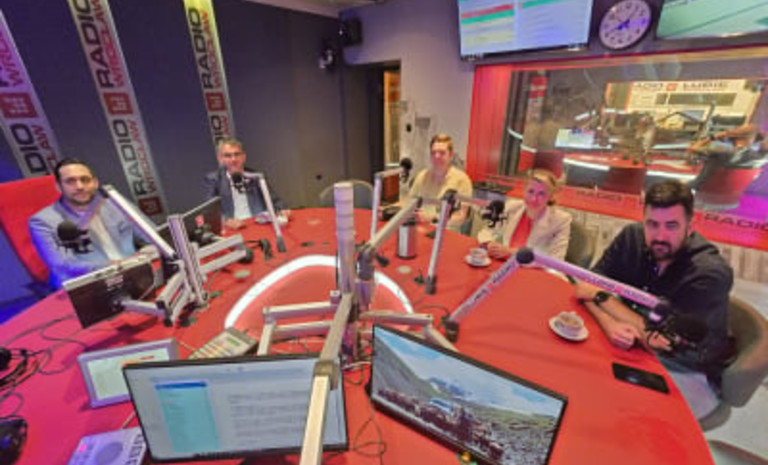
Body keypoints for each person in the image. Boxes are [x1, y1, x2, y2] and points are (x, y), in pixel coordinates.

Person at [574, 180, 733, 419]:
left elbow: (662, 342)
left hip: (687, 369)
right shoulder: (632, 237)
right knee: (579, 381)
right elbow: (584, 286)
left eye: (671, 226)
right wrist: (609, 323)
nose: (660, 236)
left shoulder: (709, 273)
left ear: (690, 226)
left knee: (619, 414)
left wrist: (602, 297)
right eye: (652, 224)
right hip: (635, 348)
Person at [29, 158, 150, 289]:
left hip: (133, 273)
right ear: (59, 187)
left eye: (85, 180)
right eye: (70, 181)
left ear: (95, 183)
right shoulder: (42, 221)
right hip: (86, 284)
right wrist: (119, 265)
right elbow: (63, 264)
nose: (80, 186)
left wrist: (151, 251)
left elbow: (150, 234)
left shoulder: (115, 203)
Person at [477, 169, 571, 260]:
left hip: (535, 268)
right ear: (524, 191)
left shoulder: (561, 220)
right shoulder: (512, 207)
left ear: (550, 197)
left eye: (541, 194)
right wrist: (489, 243)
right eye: (530, 191)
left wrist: (512, 253)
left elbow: (556, 259)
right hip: (507, 264)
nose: (534, 199)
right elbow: (487, 231)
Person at [203, 138, 284, 230]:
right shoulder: (214, 179)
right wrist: (226, 221)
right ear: (220, 159)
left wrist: (281, 210)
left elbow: (275, 201)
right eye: (228, 156)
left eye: (237, 154)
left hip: (257, 224)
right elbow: (210, 211)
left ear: (243, 157)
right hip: (233, 228)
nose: (233, 159)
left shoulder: (256, 176)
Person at [407, 133, 473, 231]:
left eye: (442, 153)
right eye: (433, 152)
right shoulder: (422, 176)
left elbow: (460, 217)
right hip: (421, 229)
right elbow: (409, 202)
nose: (437, 156)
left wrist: (432, 218)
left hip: (446, 232)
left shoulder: (462, 180)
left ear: (451, 155)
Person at [687, 124, 768, 190]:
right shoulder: (760, 159)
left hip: (702, 194)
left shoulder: (722, 150)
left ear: (735, 134)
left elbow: (692, 148)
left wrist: (713, 137)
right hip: (730, 201)